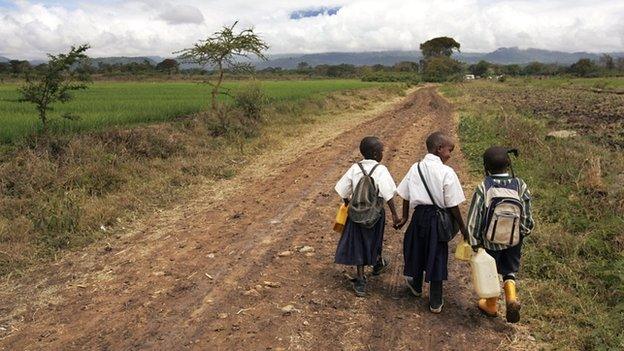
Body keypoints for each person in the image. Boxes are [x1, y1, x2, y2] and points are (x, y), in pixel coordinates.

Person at [395, 131, 469, 313]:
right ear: (439, 149)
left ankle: (416, 286)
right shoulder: (447, 172)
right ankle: (435, 300)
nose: (450, 155)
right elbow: (453, 204)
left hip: (418, 217)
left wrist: (405, 217)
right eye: (449, 150)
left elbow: (405, 193)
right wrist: (462, 227)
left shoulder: (416, 167)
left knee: (417, 249)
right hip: (437, 219)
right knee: (436, 254)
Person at [466, 146, 534, 323]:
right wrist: (521, 234)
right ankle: (511, 298)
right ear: (509, 164)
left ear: (486, 167)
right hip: (513, 240)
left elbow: (474, 218)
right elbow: (527, 218)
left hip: (490, 242)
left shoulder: (484, 188)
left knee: (492, 272)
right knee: (509, 270)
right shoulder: (520, 185)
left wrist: (475, 242)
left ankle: (491, 306)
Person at [335, 136, 400, 297]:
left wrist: (348, 203)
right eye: (381, 151)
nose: (383, 153)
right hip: (375, 214)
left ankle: (360, 279)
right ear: (375, 153)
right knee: (375, 239)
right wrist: (394, 214)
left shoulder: (354, 168)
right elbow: (388, 194)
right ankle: (377, 262)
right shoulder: (380, 170)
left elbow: (342, 190)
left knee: (358, 243)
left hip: (356, 214)